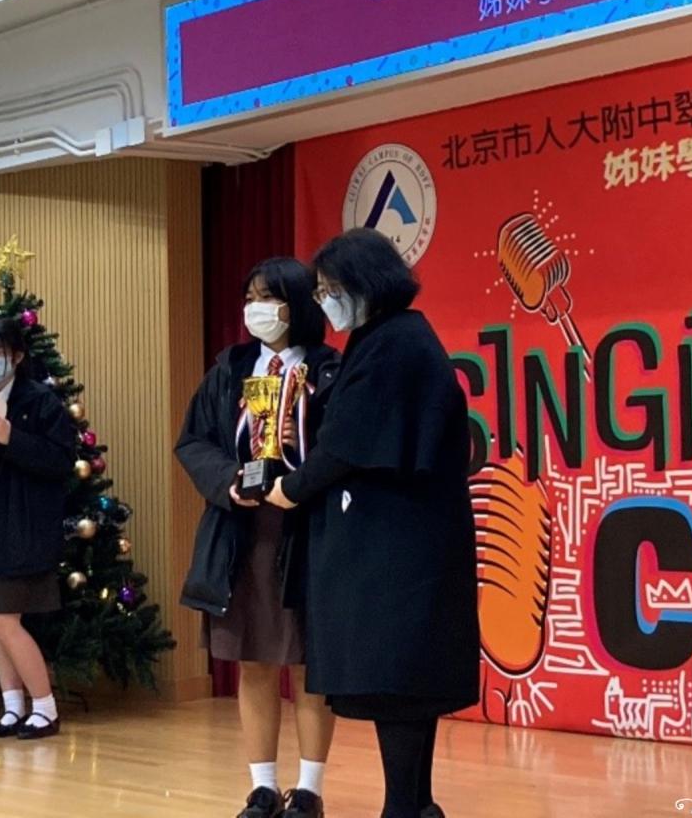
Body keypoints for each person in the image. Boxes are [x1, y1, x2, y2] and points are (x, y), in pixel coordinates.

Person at [264, 229, 480, 818]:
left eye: (331, 289)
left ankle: (404, 807)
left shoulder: (394, 345)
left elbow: (346, 442)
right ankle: (416, 805)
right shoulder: (388, 338)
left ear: (366, 283)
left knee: (398, 682)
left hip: (399, 548)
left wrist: (290, 488)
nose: (325, 302)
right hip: (406, 540)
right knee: (406, 684)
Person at [177, 257, 341, 818]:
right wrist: (228, 481)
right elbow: (193, 441)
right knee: (252, 658)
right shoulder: (230, 368)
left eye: (268, 297)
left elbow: (344, 449)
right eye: (249, 297)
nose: (256, 308)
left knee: (308, 663)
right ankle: (263, 787)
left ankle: (310, 789)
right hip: (241, 531)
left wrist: (300, 452)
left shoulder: (328, 370)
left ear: (298, 305)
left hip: (305, 531)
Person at [0, 318, 77, 741]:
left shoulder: (40, 401)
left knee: (3, 620)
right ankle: (12, 707)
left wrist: (11, 437)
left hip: (23, 526)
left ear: (17, 356)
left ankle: (45, 707)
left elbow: (61, 461)